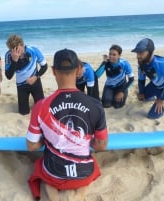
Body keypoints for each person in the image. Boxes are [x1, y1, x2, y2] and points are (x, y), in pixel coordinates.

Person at [26, 49, 108, 201]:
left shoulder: (41, 106)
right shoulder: (96, 105)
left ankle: (54, 195)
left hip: (54, 172)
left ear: (53, 71)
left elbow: (31, 146)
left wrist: (46, 139)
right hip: (83, 173)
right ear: (78, 70)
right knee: (91, 168)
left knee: (41, 169)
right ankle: (79, 194)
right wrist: (84, 141)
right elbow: (101, 145)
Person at [131, 38, 164, 119]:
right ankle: (154, 96)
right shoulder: (141, 62)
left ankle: (162, 99)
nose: (138, 56)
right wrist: (141, 92)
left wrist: (162, 99)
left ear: (150, 52)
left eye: (141, 53)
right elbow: (141, 79)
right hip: (156, 85)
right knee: (142, 98)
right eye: (137, 53)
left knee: (152, 115)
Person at [5, 34, 48, 115]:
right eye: (13, 50)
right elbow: (8, 76)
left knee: (41, 109)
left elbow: (45, 66)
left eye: (18, 50)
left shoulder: (33, 51)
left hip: (35, 82)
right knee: (23, 112)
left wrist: (35, 77)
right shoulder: (8, 55)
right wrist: (14, 60)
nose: (17, 53)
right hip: (21, 86)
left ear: (23, 45)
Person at [96, 44, 134, 109]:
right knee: (106, 104)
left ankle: (122, 94)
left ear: (119, 55)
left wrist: (122, 91)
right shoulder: (106, 63)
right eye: (110, 54)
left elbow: (131, 79)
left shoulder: (124, 63)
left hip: (121, 85)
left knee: (117, 105)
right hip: (109, 86)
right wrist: (104, 63)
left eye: (114, 54)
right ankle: (110, 96)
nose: (111, 56)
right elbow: (97, 75)